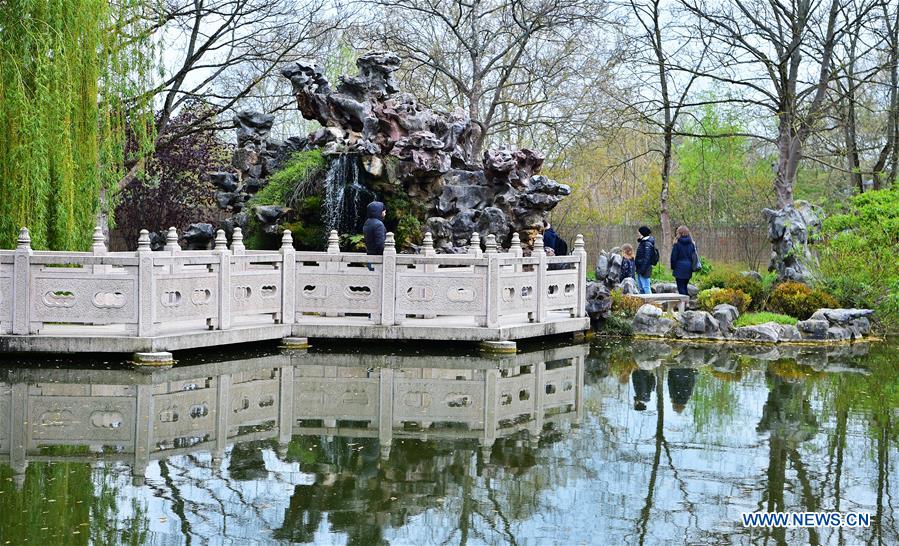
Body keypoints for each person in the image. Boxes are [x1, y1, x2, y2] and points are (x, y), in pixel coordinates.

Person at [670, 225, 697, 296]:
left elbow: (673, 257)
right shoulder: (692, 244)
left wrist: (673, 267)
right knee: (685, 286)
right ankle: (687, 302)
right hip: (689, 267)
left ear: (678, 233)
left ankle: (684, 304)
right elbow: (693, 256)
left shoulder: (677, 243)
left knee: (680, 287)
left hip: (679, 267)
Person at [634, 226, 656, 294]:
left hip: (645, 268)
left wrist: (642, 269)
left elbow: (647, 258)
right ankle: (643, 303)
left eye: (639, 233)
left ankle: (650, 303)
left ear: (642, 233)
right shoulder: (643, 242)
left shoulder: (647, 243)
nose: (638, 234)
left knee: (646, 287)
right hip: (640, 268)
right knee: (640, 287)